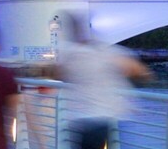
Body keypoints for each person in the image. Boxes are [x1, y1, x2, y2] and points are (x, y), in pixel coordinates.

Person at [52, 11, 154, 149]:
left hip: (77, 119)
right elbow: (141, 72)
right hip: (103, 117)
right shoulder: (107, 52)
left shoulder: (69, 54)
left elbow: (57, 73)